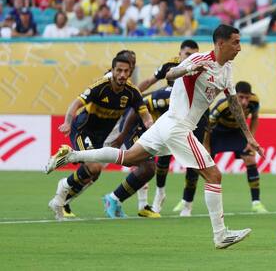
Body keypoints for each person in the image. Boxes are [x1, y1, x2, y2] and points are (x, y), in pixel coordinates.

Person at [46, 24, 262, 249]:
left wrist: (248, 136)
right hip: (177, 125)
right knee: (214, 176)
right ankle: (220, 235)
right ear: (221, 43)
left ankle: (70, 156)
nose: (239, 47)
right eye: (236, 42)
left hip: (167, 124)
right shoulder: (200, 59)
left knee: (129, 158)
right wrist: (186, 69)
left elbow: (234, 104)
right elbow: (170, 73)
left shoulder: (226, 70)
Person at [47, 52, 152, 220]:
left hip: (100, 137)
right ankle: (62, 189)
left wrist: (152, 129)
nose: (123, 74)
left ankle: (62, 200)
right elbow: (76, 103)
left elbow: (146, 116)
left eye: (127, 70)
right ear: (113, 70)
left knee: (94, 174)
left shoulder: (132, 92)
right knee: (94, 167)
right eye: (119, 70)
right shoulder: (101, 86)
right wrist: (67, 122)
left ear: (131, 71)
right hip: (83, 130)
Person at [115, 39, 203, 216]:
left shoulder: (201, 67)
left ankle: (187, 204)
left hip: (194, 115)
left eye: (194, 54)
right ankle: (159, 195)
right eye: (187, 54)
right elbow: (149, 81)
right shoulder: (170, 66)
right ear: (180, 54)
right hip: (170, 114)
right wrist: (131, 96)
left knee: (195, 161)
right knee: (161, 160)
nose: (191, 57)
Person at [172, 81, 267, 216]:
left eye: (247, 97)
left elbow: (255, 118)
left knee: (251, 159)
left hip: (237, 132)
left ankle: (256, 203)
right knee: (200, 164)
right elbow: (208, 127)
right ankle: (186, 201)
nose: (245, 101)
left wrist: (250, 139)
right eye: (241, 97)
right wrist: (206, 147)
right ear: (235, 95)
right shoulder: (222, 106)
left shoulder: (254, 102)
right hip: (217, 133)